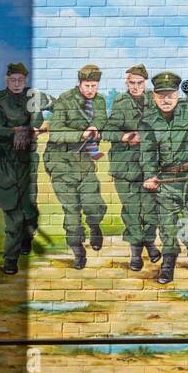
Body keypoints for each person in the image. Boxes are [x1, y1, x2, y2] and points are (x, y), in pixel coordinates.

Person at [139, 71, 188, 284]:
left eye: (171, 94)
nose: (166, 99)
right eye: (161, 95)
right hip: (167, 180)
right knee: (167, 224)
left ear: (177, 95)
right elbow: (147, 152)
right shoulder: (148, 121)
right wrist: (150, 176)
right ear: (154, 95)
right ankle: (168, 263)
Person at [43, 64, 108, 269]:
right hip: (60, 162)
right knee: (71, 211)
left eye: (94, 85)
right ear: (79, 83)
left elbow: (101, 121)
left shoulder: (99, 101)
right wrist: (81, 133)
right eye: (87, 85)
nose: (90, 90)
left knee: (93, 203)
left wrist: (97, 129)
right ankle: (78, 249)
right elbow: (55, 133)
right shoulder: (65, 101)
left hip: (84, 160)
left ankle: (95, 225)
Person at [104, 64, 161, 271]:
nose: (136, 87)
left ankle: (149, 242)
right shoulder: (120, 103)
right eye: (131, 83)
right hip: (125, 167)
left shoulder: (154, 100)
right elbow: (107, 131)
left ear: (145, 83)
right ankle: (136, 253)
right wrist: (125, 136)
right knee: (132, 210)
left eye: (139, 83)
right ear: (126, 83)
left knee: (152, 210)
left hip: (150, 165)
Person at [0, 62, 39, 274]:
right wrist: (16, 131)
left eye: (21, 80)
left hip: (25, 161)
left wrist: (31, 128)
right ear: (7, 80)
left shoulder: (32, 97)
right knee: (13, 214)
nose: (17, 83)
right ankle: (10, 260)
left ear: (25, 80)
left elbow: (39, 118)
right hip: (3, 163)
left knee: (30, 211)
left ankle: (27, 238)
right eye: (13, 80)